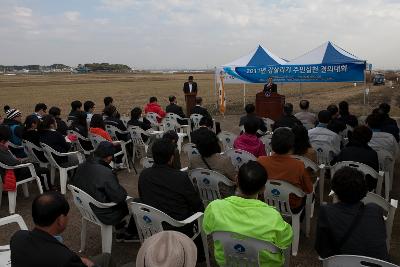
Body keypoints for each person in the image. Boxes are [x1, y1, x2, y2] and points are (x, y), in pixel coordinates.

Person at [203, 161, 293, 267]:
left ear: (236, 179)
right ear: (263, 189)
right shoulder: (272, 216)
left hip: (226, 261)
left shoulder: (214, 207)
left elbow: (207, 229)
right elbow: (285, 241)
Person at [138, 139, 204, 261]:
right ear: (171, 158)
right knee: (198, 215)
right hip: (178, 228)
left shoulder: (144, 175)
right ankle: (200, 257)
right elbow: (197, 205)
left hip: (152, 225)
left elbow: (143, 198)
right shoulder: (180, 177)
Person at [10, 192, 114, 267]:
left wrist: (78, 259)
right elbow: (60, 258)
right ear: (60, 220)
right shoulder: (64, 259)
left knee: (105, 258)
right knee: (107, 258)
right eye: (66, 215)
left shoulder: (18, 237)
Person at [315, 167, 388, 260]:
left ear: (335, 191)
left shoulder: (326, 211)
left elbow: (322, 251)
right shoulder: (375, 209)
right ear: (364, 191)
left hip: (342, 263)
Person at [70, 141, 138, 242]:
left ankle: (120, 228)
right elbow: (120, 197)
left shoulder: (81, 166)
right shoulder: (106, 173)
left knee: (109, 193)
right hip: (103, 213)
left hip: (84, 207)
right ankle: (121, 232)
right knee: (124, 200)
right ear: (109, 157)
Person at [258, 128, 313, 211]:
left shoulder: (261, 161)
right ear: (291, 146)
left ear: (271, 145)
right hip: (292, 205)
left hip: (266, 201)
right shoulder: (299, 165)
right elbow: (309, 189)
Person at [190, 129, 236, 196]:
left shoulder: (193, 160)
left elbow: (191, 177)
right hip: (223, 197)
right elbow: (235, 179)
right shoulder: (224, 161)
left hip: (203, 195)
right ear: (215, 144)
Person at [331, 125, 379, 191]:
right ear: (369, 138)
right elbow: (375, 175)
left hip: (343, 186)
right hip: (364, 188)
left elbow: (335, 167)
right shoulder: (372, 154)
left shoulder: (345, 151)